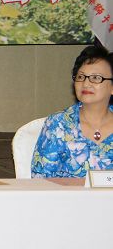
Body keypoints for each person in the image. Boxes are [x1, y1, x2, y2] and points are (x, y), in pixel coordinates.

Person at [31, 45, 113, 178]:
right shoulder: (58, 125)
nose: (86, 84)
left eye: (96, 78)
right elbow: (40, 180)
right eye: (81, 77)